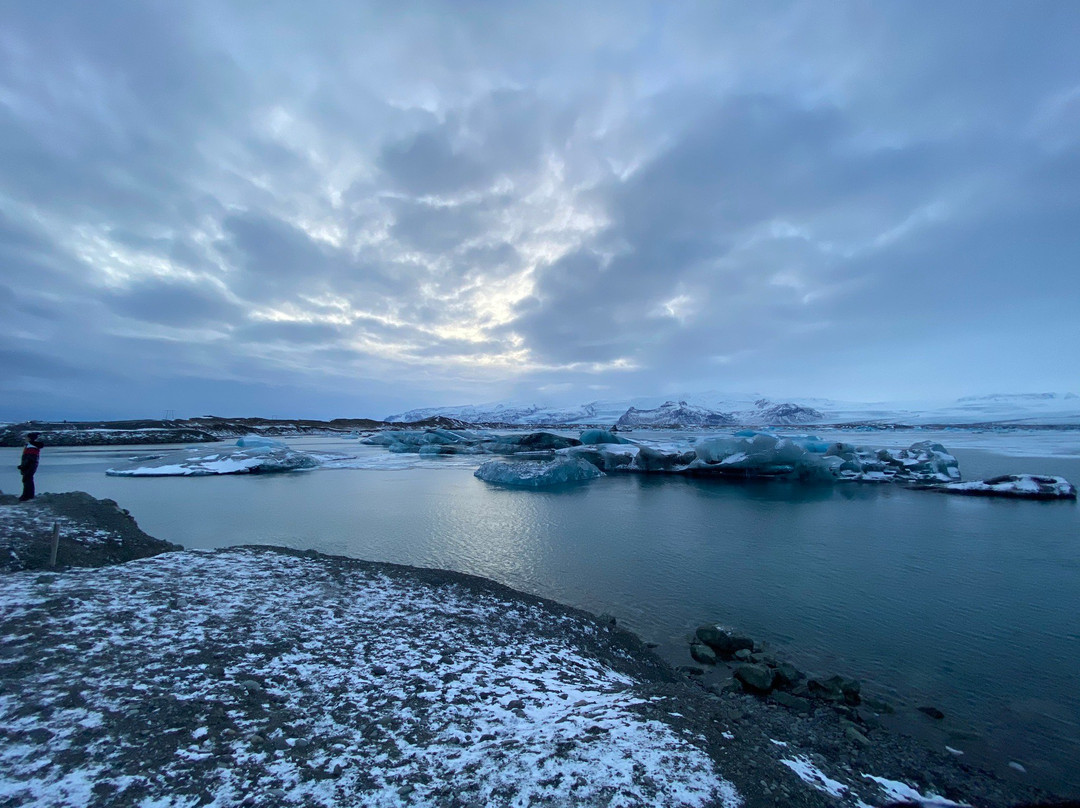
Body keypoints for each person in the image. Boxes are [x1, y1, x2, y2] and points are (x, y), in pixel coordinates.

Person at [18, 432, 44, 502]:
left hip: (29, 466)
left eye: (26, 437)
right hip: (31, 465)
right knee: (28, 479)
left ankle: (26, 496)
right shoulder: (31, 446)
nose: (25, 439)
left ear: (29, 438)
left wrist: (23, 466)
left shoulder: (31, 447)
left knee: (27, 480)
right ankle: (28, 495)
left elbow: (29, 458)